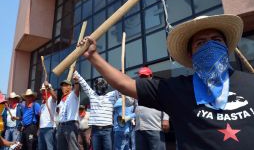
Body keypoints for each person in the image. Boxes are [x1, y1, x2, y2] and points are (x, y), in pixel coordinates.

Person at [78, 14, 254, 149]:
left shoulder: (251, 83)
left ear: (225, 47)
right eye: (201, 43)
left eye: (216, 40)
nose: (209, 46)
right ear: (191, 55)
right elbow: (124, 84)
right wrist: (93, 56)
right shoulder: (176, 88)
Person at [73, 71, 119, 150]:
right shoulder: (92, 94)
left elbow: (120, 88)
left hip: (107, 130)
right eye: (98, 85)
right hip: (95, 130)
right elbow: (84, 84)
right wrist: (75, 72)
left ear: (105, 86)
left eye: (101, 85)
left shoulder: (112, 95)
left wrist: (120, 78)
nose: (100, 87)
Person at [134, 67, 170, 150]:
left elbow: (167, 102)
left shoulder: (158, 87)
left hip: (154, 126)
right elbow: (130, 104)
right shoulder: (136, 89)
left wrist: (166, 119)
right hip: (139, 128)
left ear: (151, 76)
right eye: (141, 76)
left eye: (145, 76)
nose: (143, 78)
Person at [56, 79, 80, 150]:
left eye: (66, 85)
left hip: (71, 125)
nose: (64, 87)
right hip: (61, 126)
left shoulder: (73, 94)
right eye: (63, 86)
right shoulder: (61, 100)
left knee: (73, 147)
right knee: (61, 148)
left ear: (71, 87)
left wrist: (76, 81)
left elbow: (77, 89)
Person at [38, 81, 57, 150]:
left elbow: (55, 97)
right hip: (42, 128)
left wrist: (48, 87)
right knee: (41, 148)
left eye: (44, 90)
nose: (43, 92)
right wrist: (38, 129)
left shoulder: (51, 99)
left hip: (49, 128)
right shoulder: (42, 103)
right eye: (42, 90)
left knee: (50, 147)